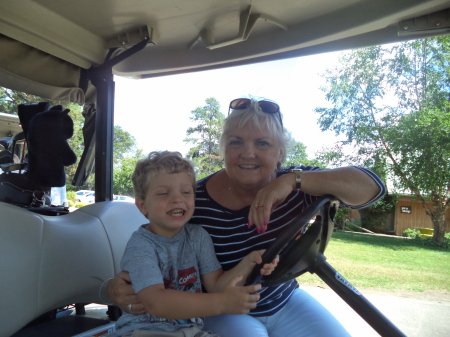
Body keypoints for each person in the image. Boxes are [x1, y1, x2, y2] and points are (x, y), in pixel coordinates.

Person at [107, 97, 387, 337]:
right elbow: (153, 251)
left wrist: (289, 182)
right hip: (219, 308)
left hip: (283, 299)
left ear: (280, 153)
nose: (248, 153)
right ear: (224, 149)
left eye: (263, 143)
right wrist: (111, 289)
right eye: (236, 142)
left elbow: (372, 188)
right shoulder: (192, 198)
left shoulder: (301, 183)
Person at [113, 150, 279, 337]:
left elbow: (216, 284)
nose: (177, 199)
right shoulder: (141, 245)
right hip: (145, 330)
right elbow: (155, 302)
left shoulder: (198, 236)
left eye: (186, 192)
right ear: (143, 205)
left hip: (190, 330)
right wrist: (221, 303)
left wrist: (250, 262)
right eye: (164, 193)